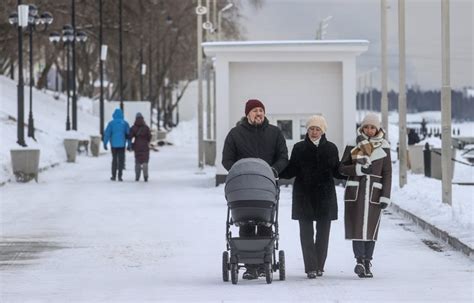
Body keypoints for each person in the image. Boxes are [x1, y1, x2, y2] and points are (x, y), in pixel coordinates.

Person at [222, 98, 289, 280]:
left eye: (261, 110)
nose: (258, 113)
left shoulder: (274, 133)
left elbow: (283, 156)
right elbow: (227, 159)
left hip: (267, 186)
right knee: (246, 223)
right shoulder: (235, 134)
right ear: (247, 114)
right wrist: (239, 172)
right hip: (243, 188)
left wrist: (273, 170)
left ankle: (263, 262)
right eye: (254, 110)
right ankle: (250, 267)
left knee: (266, 223)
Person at [280, 115, 343, 279]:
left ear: (323, 131)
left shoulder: (331, 148)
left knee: (323, 233)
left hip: (325, 196)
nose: (314, 132)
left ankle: (319, 266)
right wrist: (275, 168)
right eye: (311, 129)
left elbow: (337, 171)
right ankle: (310, 268)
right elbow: (291, 169)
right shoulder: (299, 148)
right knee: (306, 233)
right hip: (304, 195)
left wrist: (353, 170)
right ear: (306, 130)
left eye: (317, 129)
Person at [338, 112, 392, 278]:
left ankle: (368, 261)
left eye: (372, 127)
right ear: (362, 128)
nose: (369, 130)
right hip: (357, 190)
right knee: (357, 228)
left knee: (371, 228)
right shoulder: (353, 144)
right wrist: (359, 169)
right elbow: (341, 168)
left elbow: (387, 172)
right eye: (366, 127)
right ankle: (359, 261)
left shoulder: (384, 146)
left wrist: (385, 195)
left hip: (374, 193)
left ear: (377, 129)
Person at [103, 108, 131, 181]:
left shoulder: (111, 123)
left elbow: (107, 134)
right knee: (121, 160)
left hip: (114, 145)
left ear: (114, 115)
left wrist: (105, 144)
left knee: (114, 159)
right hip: (122, 144)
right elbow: (128, 135)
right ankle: (120, 176)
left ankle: (113, 176)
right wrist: (129, 144)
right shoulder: (125, 123)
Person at [129, 112, 152, 182]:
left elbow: (130, 136)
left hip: (137, 146)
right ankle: (145, 176)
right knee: (145, 161)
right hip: (145, 146)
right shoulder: (146, 127)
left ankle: (137, 176)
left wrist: (130, 144)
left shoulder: (133, 127)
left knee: (137, 162)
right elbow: (149, 137)